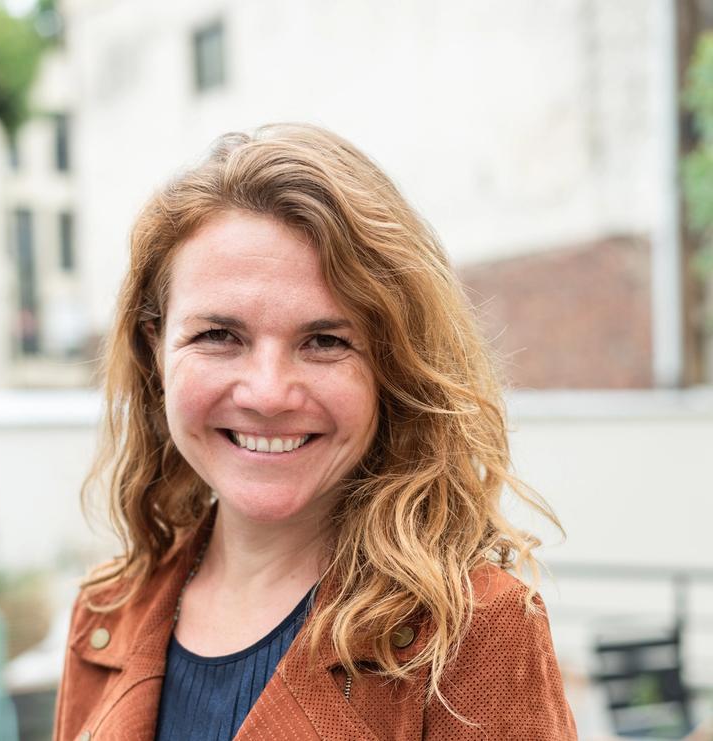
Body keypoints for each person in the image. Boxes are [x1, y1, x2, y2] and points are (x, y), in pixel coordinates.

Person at [54, 123, 577, 740]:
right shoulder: (108, 612)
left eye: (325, 341)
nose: (269, 393)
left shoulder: (474, 633)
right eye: (220, 336)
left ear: (393, 365)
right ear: (157, 350)